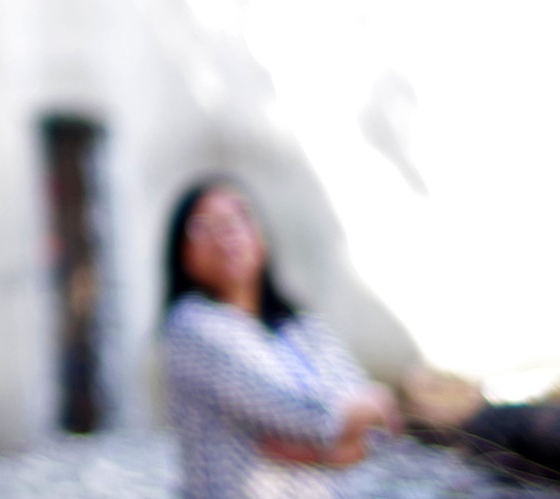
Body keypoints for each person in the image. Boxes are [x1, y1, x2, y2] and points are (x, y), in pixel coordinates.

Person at [161, 179, 400, 499]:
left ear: (261, 237)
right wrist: (367, 410)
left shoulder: (301, 326)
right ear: (181, 251)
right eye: (202, 226)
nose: (225, 234)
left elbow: (373, 430)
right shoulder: (190, 326)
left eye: (237, 219)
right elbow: (293, 411)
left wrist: (317, 447)